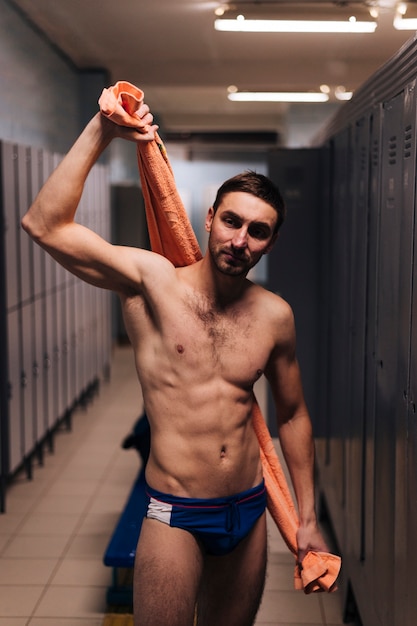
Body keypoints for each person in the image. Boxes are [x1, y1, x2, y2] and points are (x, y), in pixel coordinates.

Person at [22, 103, 329, 626]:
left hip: (250, 508)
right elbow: (45, 225)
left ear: (270, 242)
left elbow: (294, 415)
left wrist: (308, 517)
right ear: (209, 218)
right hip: (175, 510)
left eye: (257, 231)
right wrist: (104, 129)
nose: (239, 240)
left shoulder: (275, 316)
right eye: (231, 221)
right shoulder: (152, 282)